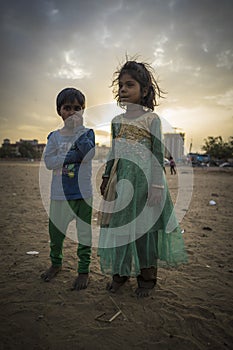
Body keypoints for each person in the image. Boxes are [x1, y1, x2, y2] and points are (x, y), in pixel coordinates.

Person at [98, 59, 187, 297]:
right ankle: (120, 275)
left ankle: (147, 280)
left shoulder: (152, 119)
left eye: (130, 85)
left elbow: (157, 154)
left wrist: (158, 184)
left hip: (147, 184)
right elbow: (113, 150)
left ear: (144, 90)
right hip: (122, 183)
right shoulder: (117, 122)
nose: (123, 90)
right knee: (121, 230)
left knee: (144, 232)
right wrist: (107, 177)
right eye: (121, 85)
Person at [41, 87, 95, 290]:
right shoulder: (54, 137)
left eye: (78, 108)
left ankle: (83, 271)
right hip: (59, 195)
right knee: (56, 235)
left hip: (83, 195)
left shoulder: (87, 134)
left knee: (84, 236)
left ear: (83, 111)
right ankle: (56, 263)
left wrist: (79, 132)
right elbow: (49, 162)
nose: (72, 112)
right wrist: (71, 157)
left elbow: (88, 154)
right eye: (67, 108)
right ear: (59, 111)